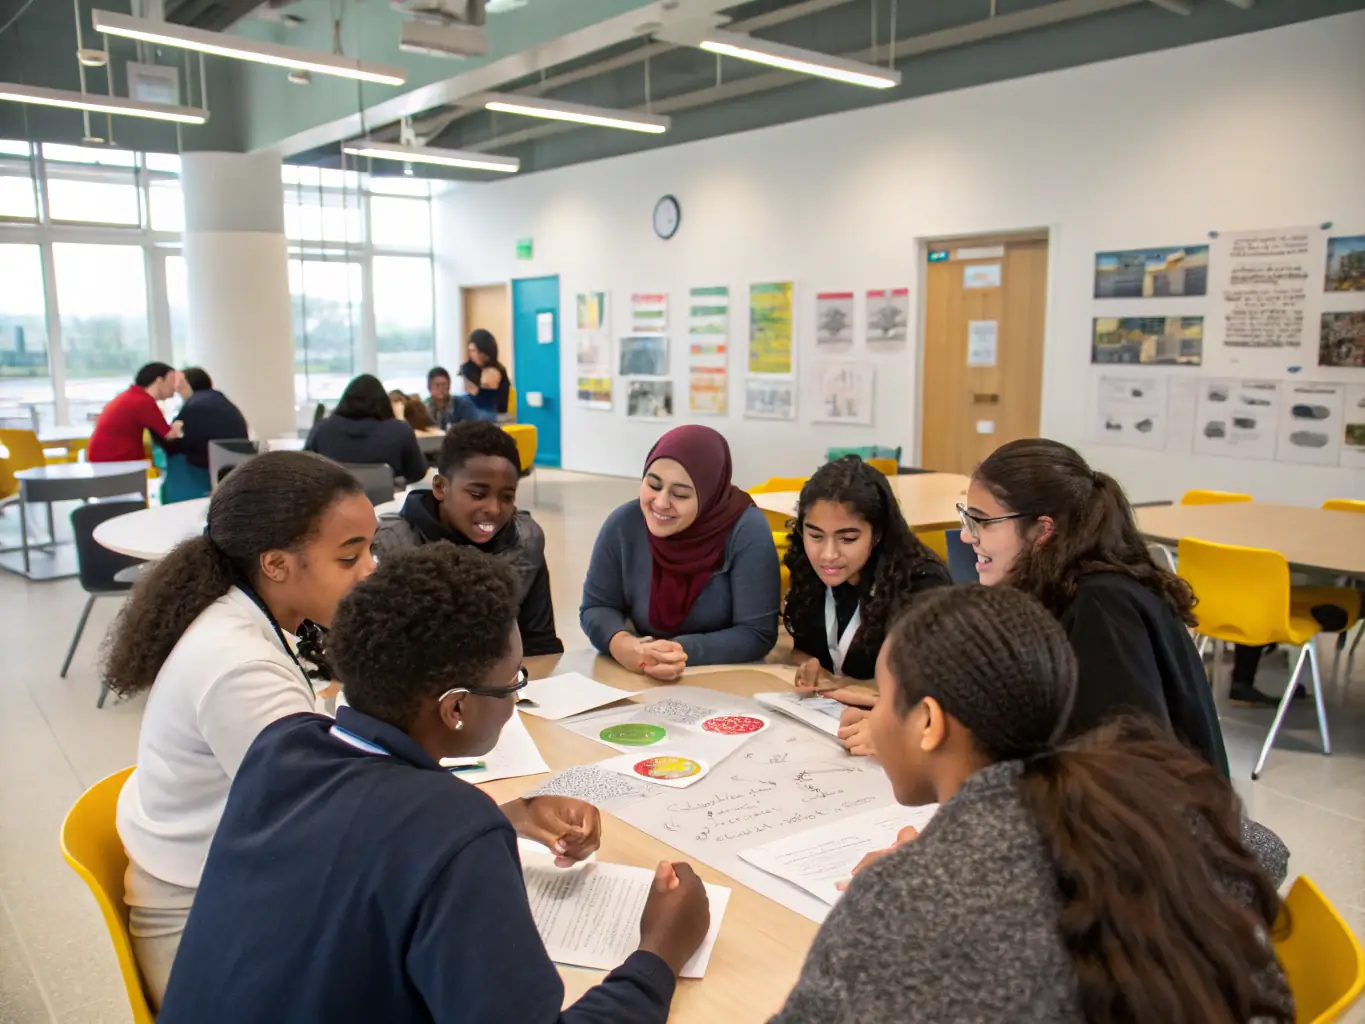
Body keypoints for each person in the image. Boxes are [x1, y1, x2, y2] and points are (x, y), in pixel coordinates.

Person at [157, 545, 711, 1024]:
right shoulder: (457, 834)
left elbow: (369, 832)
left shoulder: (284, 745)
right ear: (457, 708)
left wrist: (506, 816)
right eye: (513, 681)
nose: (516, 698)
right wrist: (660, 951)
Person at [769, 585, 1292, 1024]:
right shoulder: (1139, 798)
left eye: (883, 696)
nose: (876, 715)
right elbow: (1267, 849)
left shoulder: (896, 903)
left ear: (929, 723)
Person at [105, 452, 377, 1006]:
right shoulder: (241, 667)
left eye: (371, 548)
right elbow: (326, 821)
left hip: (221, 882)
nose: (370, 569)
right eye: (350, 557)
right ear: (275, 564)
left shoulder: (244, 613)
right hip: (200, 927)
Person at [836, 438, 1228, 770]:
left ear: (1042, 530)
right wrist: (915, 713)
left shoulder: (1105, 604)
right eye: (966, 517)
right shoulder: (1052, 587)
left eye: (982, 521)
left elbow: (1107, 764)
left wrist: (920, 738)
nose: (967, 536)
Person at [581, 425, 780, 678]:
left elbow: (757, 632)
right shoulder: (624, 523)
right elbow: (597, 606)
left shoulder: (745, 529)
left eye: (680, 494)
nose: (661, 503)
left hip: (723, 678)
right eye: (653, 485)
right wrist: (622, 645)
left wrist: (676, 652)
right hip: (643, 676)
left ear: (708, 494)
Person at [373, 421, 563, 656]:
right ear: (441, 487)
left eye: (507, 497)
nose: (494, 509)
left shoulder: (525, 540)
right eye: (477, 494)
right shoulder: (389, 544)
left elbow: (539, 644)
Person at [783, 456, 950, 690]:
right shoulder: (807, 567)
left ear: (878, 534)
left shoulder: (921, 584)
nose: (828, 554)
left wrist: (846, 684)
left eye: (848, 539)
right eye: (816, 536)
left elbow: (928, 683)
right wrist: (810, 665)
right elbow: (802, 648)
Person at [304, 373, 428, 484]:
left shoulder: (322, 429)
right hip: (386, 506)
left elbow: (304, 468)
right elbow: (418, 474)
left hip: (333, 505)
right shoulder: (400, 431)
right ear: (383, 401)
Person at [160, 367, 249, 503]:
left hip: (207, 468)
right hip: (237, 462)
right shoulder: (220, 399)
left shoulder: (194, 405)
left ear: (187, 385)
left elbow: (181, 442)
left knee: (173, 456)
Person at [87, 361, 183, 463]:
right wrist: (179, 425)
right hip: (115, 458)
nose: (175, 388)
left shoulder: (131, 396)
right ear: (159, 381)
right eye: (172, 382)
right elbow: (169, 435)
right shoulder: (144, 402)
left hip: (102, 455)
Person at [460, 329, 512, 417]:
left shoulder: (495, 371)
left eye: (476, 351)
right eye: (471, 351)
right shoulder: (469, 368)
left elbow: (485, 401)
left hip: (495, 415)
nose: (473, 355)